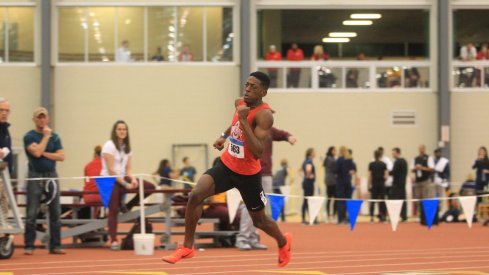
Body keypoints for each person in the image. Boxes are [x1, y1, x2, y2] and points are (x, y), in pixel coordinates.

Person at [162, 71, 292, 267]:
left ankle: (283, 242)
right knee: (195, 195)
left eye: (253, 87)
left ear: (263, 92)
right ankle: (187, 247)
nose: (247, 89)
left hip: (248, 175)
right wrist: (224, 135)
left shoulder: (264, 116)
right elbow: (234, 126)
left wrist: (243, 120)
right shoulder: (239, 103)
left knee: (259, 222)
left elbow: (257, 151)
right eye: (247, 85)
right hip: (227, 165)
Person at [236, 126, 296, 250]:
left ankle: (253, 238)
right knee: (249, 206)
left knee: (260, 207)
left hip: (266, 173)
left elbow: (281, 133)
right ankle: (242, 238)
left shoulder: (270, 130)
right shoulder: (248, 129)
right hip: (251, 172)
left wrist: (288, 137)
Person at [101, 120, 155, 250]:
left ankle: (128, 206)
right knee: (113, 209)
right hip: (108, 179)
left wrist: (133, 179)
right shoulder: (109, 145)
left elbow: (129, 169)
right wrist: (125, 183)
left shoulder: (127, 148)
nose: (122, 131)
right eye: (119, 129)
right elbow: (111, 170)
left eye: (124, 129)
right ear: (115, 131)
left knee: (149, 187)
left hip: (122, 177)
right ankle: (113, 240)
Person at [23, 107, 65, 255]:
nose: (42, 120)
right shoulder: (29, 136)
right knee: (31, 213)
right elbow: (36, 152)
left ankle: (56, 245)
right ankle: (29, 245)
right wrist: (46, 137)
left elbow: (61, 156)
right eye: (39, 117)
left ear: (48, 119)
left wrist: (44, 153)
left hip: (51, 175)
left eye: (44, 117)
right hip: (35, 175)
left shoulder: (56, 137)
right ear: (34, 119)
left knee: (55, 212)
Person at [412, 145, 436, 226]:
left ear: (424, 149)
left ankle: (427, 217)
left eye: (422, 148)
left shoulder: (429, 158)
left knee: (426, 199)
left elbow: (432, 168)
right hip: (418, 181)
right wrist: (416, 168)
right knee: (419, 200)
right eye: (420, 148)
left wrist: (422, 168)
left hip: (426, 181)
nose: (421, 150)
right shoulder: (415, 159)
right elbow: (412, 169)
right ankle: (421, 217)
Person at [0, 98, 12, 241]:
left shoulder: (5, 129)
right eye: (1, 110)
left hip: (5, 173)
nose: (4, 113)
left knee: (4, 203)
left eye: (6, 110)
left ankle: (2, 236)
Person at [336, 146, 356, 224]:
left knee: (340, 201)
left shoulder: (339, 160)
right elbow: (353, 170)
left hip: (340, 183)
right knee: (348, 201)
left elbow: (336, 170)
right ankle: (348, 218)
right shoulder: (350, 160)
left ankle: (341, 219)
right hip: (348, 183)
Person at [368, 150, 388, 222]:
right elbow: (386, 175)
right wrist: (383, 180)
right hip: (381, 184)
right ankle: (383, 216)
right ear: (380, 156)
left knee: (373, 200)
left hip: (374, 184)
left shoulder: (371, 164)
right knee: (382, 200)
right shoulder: (383, 164)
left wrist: (369, 185)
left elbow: (369, 175)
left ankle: (372, 217)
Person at [390, 147, 408, 221]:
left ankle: (396, 216)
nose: (392, 154)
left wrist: (388, 172)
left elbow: (394, 172)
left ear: (397, 153)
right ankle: (404, 216)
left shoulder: (397, 162)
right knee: (403, 200)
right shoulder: (404, 161)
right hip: (403, 183)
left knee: (395, 200)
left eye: (393, 153)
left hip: (397, 184)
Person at [301, 148, 316, 224]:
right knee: (308, 200)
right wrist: (309, 176)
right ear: (310, 153)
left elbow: (300, 170)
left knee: (306, 200)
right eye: (314, 152)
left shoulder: (305, 161)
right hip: (309, 183)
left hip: (306, 182)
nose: (315, 153)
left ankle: (304, 218)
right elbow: (308, 170)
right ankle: (309, 219)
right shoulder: (309, 161)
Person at [433, 148, 450, 213]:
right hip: (434, 181)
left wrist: (445, 180)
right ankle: (436, 211)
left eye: (438, 152)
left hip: (441, 181)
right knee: (434, 197)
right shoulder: (433, 161)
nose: (437, 154)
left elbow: (447, 172)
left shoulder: (444, 161)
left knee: (442, 197)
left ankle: (444, 211)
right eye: (436, 153)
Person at [323, 146, 337, 221]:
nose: (336, 152)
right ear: (331, 151)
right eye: (335, 151)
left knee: (331, 198)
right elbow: (334, 169)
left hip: (329, 180)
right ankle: (330, 215)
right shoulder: (330, 159)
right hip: (331, 181)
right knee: (332, 198)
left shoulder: (328, 159)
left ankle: (331, 215)